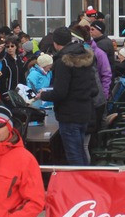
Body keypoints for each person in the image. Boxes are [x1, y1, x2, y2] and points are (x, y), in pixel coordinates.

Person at [38, 26, 99, 165]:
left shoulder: (63, 61)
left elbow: (60, 92)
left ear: (55, 43)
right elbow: (93, 88)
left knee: (74, 154)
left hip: (69, 114)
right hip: (85, 111)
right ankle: (85, 181)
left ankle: (79, 183)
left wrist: (43, 95)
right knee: (81, 150)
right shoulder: (84, 55)